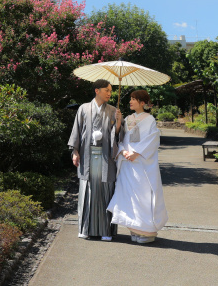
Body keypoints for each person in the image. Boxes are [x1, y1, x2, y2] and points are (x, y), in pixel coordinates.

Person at [107, 89, 168, 244]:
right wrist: (119, 123)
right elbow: (122, 137)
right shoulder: (128, 118)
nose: (130, 102)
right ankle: (134, 230)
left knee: (143, 195)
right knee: (129, 195)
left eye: (134, 99)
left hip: (141, 162)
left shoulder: (150, 119)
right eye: (130, 99)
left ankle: (146, 231)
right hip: (128, 162)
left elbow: (152, 139)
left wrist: (137, 153)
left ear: (142, 103)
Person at [68, 79, 122, 240]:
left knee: (106, 191)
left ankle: (106, 231)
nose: (110, 93)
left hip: (106, 157)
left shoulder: (113, 110)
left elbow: (118, 135)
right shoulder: (84, 108)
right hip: (87, 155)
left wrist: (118, 122)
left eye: (111, 91)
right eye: (107, 90)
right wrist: (75, 152)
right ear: (97, 90)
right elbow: (76, 131)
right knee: (87, 191)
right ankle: (85, 229)